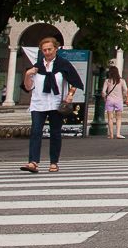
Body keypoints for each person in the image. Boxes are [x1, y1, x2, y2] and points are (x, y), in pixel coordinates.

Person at [21, 36, 83, 174]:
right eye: (44, 50)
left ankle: (54, 162)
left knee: (55, 132)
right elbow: (28, 87)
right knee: (36, 131)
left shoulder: (63, 64)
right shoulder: (37, 66)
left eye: (50, 49)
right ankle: (33, 162)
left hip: (56, 104)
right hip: (38, 103)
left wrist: (70, 95)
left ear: (56, 49)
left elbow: (75, 81)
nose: (47, 52)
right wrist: (27, 74)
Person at [102, 65, 127, 139]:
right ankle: (118, 134)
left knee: (110, 118)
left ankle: (111, 135)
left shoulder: (107, 81)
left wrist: (105, 98)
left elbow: (103, 92)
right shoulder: (122, 81)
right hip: (119, 100)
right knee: (118, 118)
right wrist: (124, 97)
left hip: (110, 100)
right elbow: (126, 90)